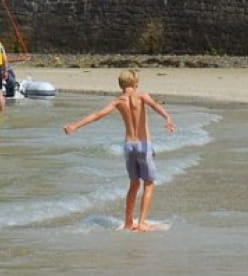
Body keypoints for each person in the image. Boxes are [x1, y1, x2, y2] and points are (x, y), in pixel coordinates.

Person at [62, 69, 176, 232]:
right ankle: (142, 222)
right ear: (135, 83)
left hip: (129, 146)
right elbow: (156, 106)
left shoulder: (118, 101)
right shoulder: (142, 96)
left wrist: (75, 126)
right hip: (144, 146)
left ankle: (129, 222)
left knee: (134, 184)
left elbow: (97, 115)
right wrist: (168, 118)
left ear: (121, 85)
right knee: (149, 184)